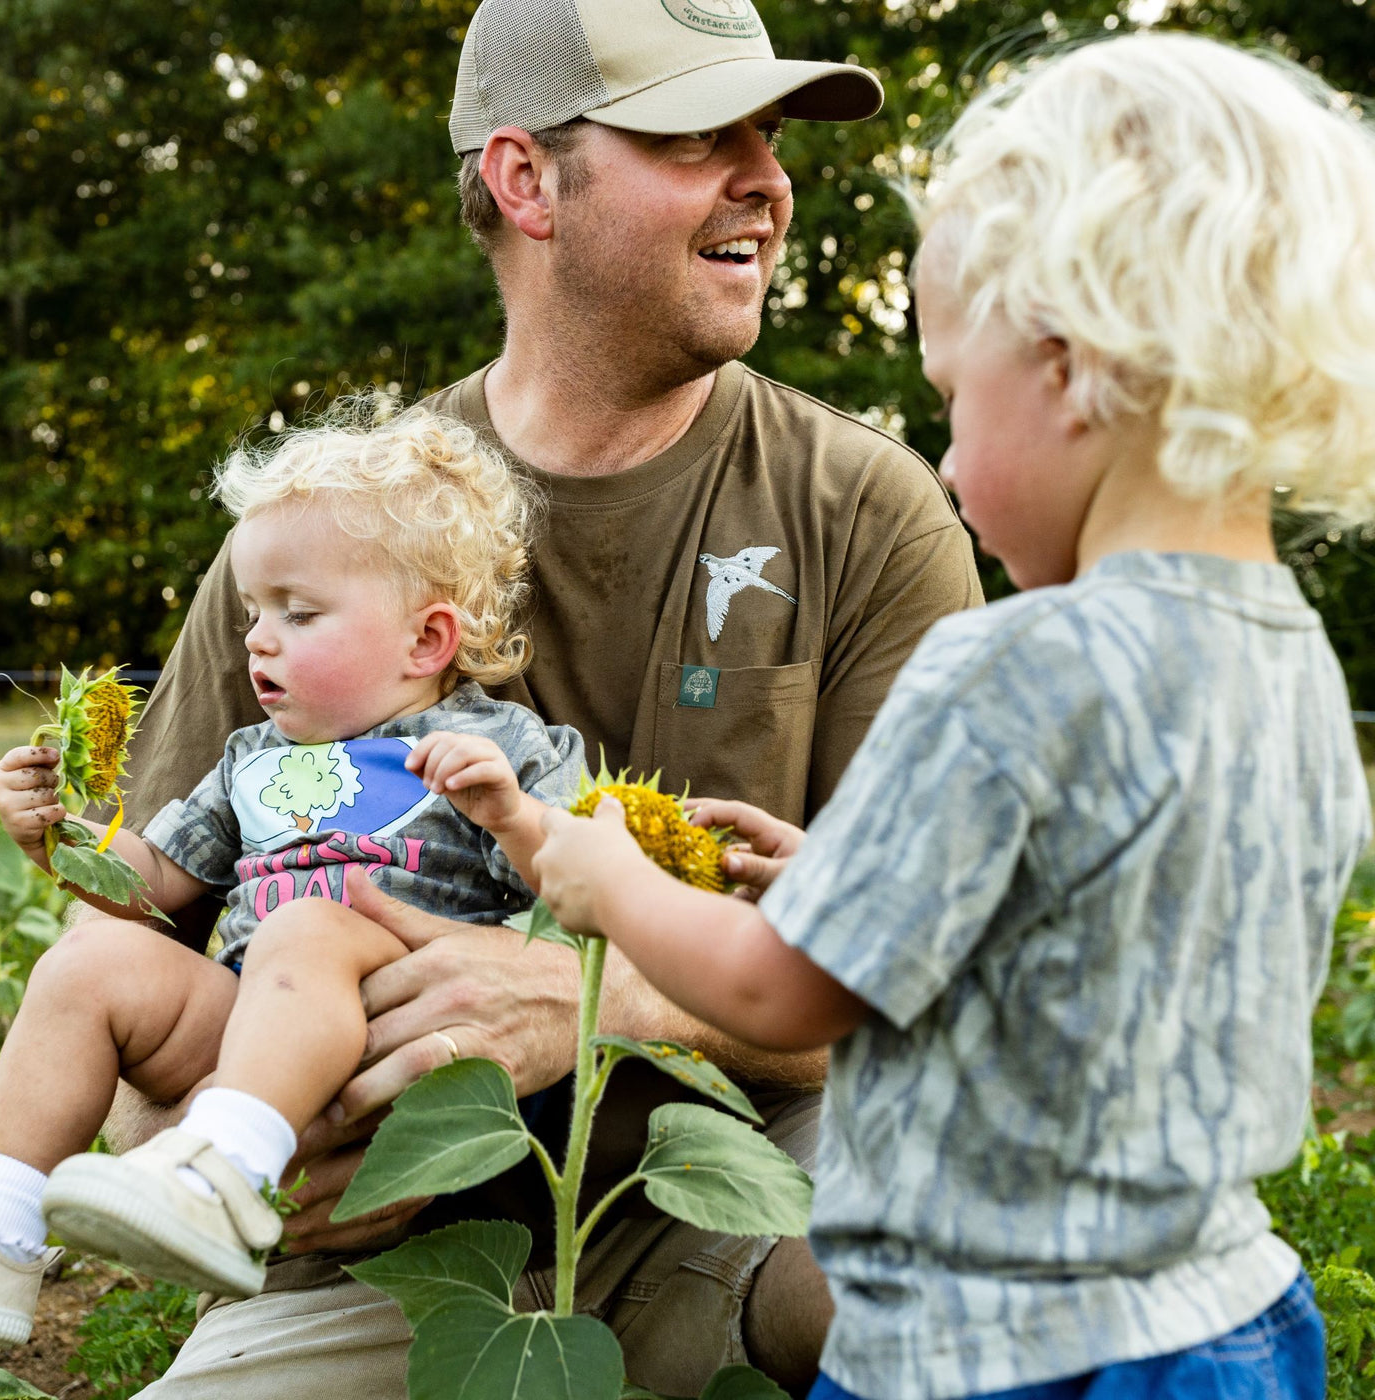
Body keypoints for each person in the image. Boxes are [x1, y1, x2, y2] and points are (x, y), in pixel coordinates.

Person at [98, 0, 981, 1394]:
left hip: (737, 1193)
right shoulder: (316, 531)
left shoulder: (867, 513)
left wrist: (603, 1001)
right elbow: (148, 970)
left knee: (932, 1283)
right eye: (699, 134)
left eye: (769, 133)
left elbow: (937, 985)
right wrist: (252, 1132)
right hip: (395, 1245)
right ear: (524, 180)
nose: (765, 175)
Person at [530, 30, 1375, 1400]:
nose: (942, 457)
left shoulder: (1010, 666)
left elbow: (777, 988)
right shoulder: (1292, 668)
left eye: (951, 397)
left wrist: (607, 880)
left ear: (1072, 365)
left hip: (995, 1353)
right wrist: (874, 883)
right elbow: (1124, 933)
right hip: (1228, 1321)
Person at [0, 402, 585, 1348]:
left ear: (427, 640)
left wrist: (512, 812)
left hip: (404, 1035)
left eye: (298, 614)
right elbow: (153, 883)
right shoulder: (247, 760)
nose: (258, 638)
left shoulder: (504, 746)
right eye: (255, 612)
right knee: (84, 967)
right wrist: (57, 839)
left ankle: (221, 1181)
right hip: (257, 1030)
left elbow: (586, 887)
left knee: (312, 919)